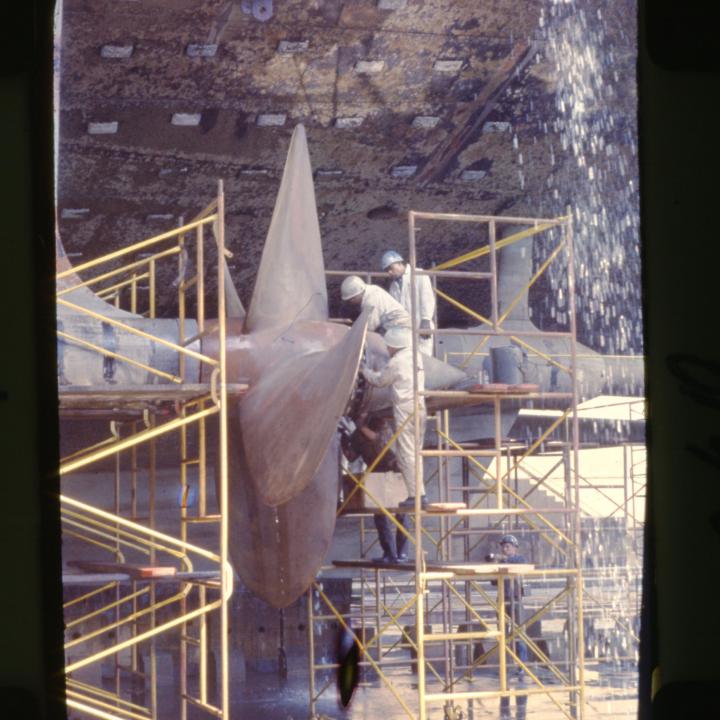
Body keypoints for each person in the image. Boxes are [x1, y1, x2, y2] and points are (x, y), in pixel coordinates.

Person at [361, 327, 427, 510]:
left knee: (406, 453)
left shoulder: (397, 362)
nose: (387, 349)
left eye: (388, 346)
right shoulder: (416, 356)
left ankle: (416, 495)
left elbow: (379, 381)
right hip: (420, 407)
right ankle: (420, 493)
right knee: (416, 452)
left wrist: (364, 371)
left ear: (395, 346)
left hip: (405, 409)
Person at [339, 414, 409, 563]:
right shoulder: (358, 434)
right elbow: (351, 457)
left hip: (393, 471)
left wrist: (360, 427)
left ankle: (402, 553)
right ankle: (389, 553)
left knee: (400, 513)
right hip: (375, 474)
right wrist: (344, 440)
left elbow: (378, 440)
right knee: (380, 516)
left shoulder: (381, 422)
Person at [492, 534, 529, 720]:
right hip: (502, 601)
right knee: (503, 635)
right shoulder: (501, 562)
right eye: (503, 547)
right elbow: (493, 580)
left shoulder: (518, 559)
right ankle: (506, 664)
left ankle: (521, 665)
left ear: (514, 548)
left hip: (515, 601)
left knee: (518, 634)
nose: (504, 549)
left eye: (507, 547)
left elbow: (520, 562)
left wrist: (503, 560)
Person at [381, 250, 436, 356]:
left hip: (421, 325)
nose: (389, 273)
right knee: (407, 358)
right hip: (405, 329)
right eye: (387, 270)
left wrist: (426, 319)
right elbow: (395, 309)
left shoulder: (419, 274)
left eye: (390, 268)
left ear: (400, 263)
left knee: (424, 358)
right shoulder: (393, 286)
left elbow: (427, 297)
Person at [340, 275, 410, 335]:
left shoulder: (371, 300)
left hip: (400, 326)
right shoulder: (370, 290)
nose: (351, 303)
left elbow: (370, 327)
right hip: (392, 325)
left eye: (351, 300)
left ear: (355, 297)